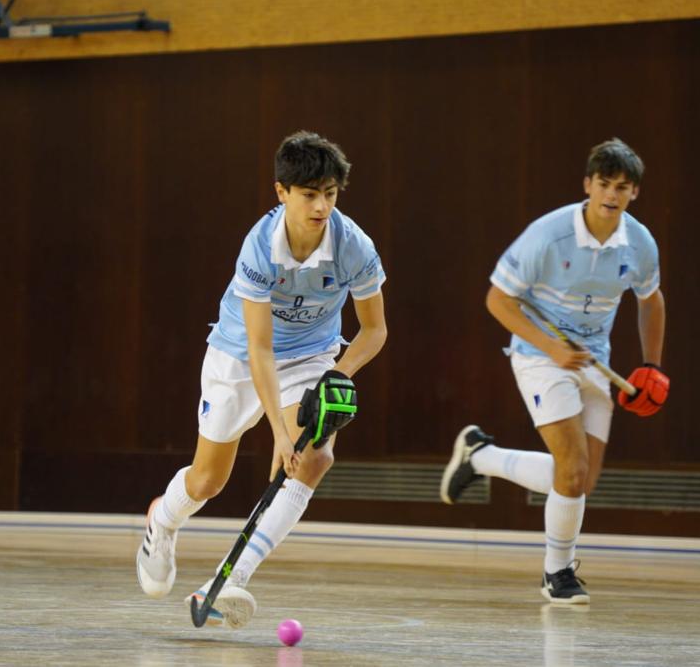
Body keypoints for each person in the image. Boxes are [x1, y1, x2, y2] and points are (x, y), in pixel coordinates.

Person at [136, 130, 388, 628]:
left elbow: (375, 330)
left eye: (331, 195)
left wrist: (333, 378)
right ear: (282, 192)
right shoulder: (259, 248)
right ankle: (162, 520)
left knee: (313, 457)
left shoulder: (353, 246)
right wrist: (277, 426)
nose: (322, 207)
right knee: (208, 480)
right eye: (310, 194)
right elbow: (260, 347)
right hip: (238, 356)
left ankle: (231, 580)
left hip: (312, 355)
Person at [441, 138, 668, 604]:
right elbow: (497, 300)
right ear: (587, 184)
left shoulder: (639, 243)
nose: (610, 194)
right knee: (573, 467)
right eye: (603, 184)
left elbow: (651, 300)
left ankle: (479, 457)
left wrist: (652, 365)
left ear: (634, 193)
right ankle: (557, 573)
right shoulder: (547, 235)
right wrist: (551, 347)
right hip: (539, 354)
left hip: (594, 358)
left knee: (579, 481)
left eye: (621, 187)